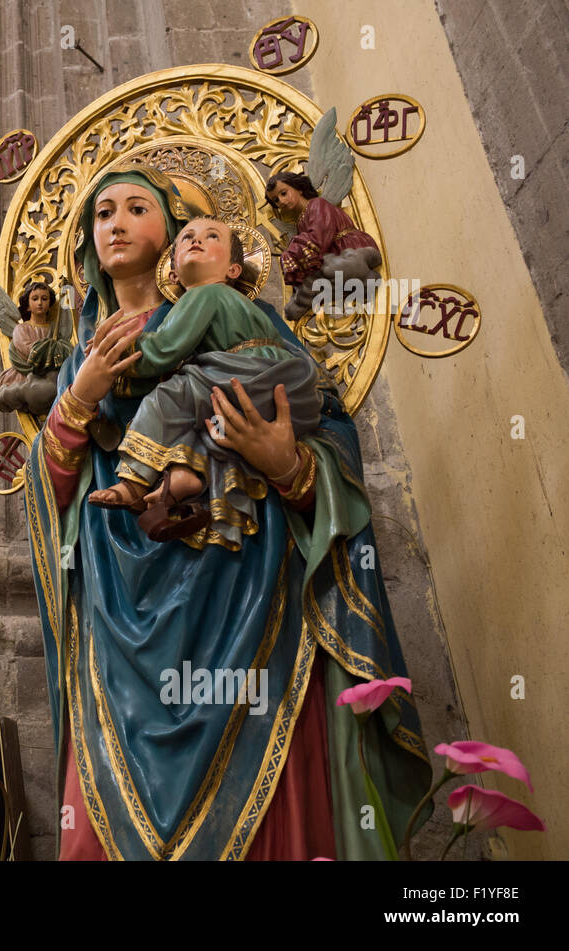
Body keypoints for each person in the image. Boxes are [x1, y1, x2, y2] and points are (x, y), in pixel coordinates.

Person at [23, 156, 431, 860]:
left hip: (248, 590)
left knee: (271, 809)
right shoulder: (79, 358)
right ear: (86, 241)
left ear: (180, 232)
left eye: (136, 207)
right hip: (120, 614)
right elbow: (50, 490)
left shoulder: (242, 317)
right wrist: (82, 395)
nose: (116, 222)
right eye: (102, 212)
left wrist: (287, 463)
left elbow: (325, 428)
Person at [86, 217, 324, 546]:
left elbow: (163, 349)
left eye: (212, 236)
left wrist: (120, 353)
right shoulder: (240, 306)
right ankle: (185, 476)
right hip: (280, 383)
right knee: (205, 411)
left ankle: (134, 481)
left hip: (245, 373)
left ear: (234, 271)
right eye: (186, 238)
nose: (197, 240)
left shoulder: (204, 295)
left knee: (172, 395)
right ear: (172, 273)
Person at [265, 171, 381, 320]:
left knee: (324, 272)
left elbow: (319, 237)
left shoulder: (317, 204)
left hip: (349, 246)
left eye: (283, 193)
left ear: (298, 188)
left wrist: (294, 249)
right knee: (316, 280)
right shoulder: (301, 221)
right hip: (332, 256)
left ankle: (363, 278)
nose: (281, 201)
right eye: (276, 200)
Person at [0, 281, 62, 414]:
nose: (40, 303)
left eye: (44, 298)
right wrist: (52, 349)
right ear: (28, 306)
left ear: (50, 304)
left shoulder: (54, 328)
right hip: (26, 373)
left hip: (49, 375)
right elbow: (28, 350)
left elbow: (63, 346)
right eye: (35, 299)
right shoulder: (22, 329)